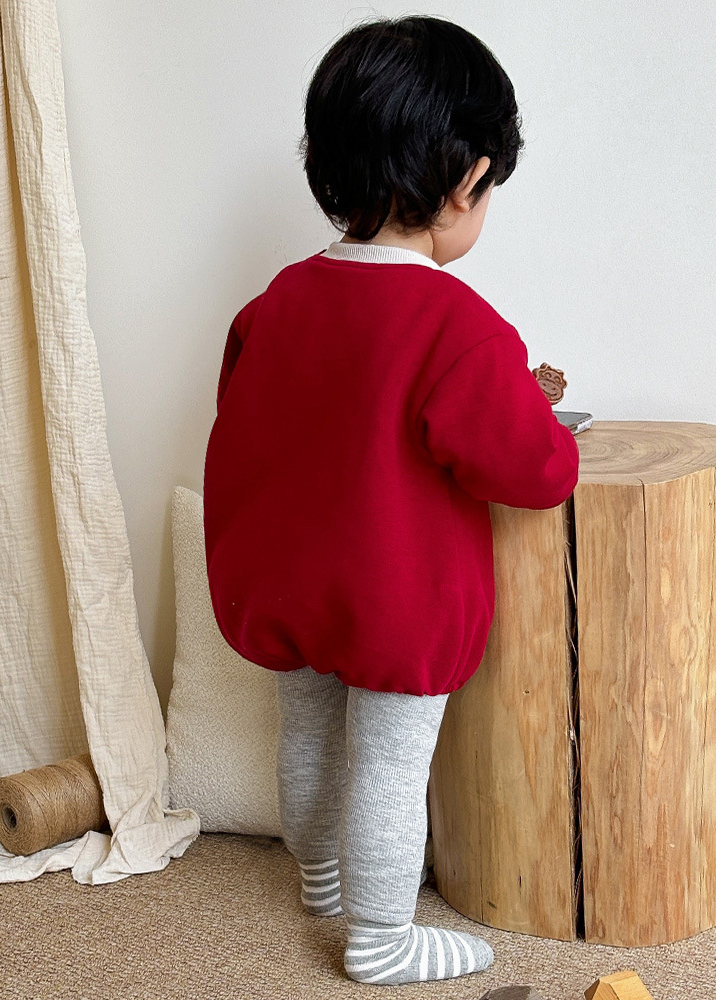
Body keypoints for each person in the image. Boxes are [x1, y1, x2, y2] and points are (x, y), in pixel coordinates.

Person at [202, 14, 579, 985]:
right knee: (386, 766)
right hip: (395, 599)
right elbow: (532, 472)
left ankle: (321, 878)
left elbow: (262, 418)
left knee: (308, 732)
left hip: (288, 583)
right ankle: (379, 935)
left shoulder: (274, 302)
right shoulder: (457, 326)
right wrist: (527, 406)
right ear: (465, 182)